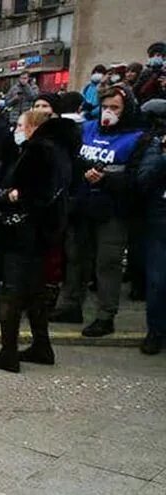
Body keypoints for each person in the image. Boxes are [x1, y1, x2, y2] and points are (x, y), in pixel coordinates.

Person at [0, 110, 76, 371]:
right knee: (35, 290)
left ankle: (8, 352)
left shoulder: (37, 151)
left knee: (11, 291)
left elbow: (26, 191)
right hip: (45, 231)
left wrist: (10, 196)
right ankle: (41, 345)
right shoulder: (61, 150)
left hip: (23, 230)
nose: (18, 129)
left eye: (22, 125)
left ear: (34, 126)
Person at [50, 85, 146, 337]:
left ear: (126, 110)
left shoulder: (137, 137)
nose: (109, 112)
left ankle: (105, 315)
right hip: (83, 205)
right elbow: (72, 159)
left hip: (112, 210)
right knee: (76, 258)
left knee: (107, 263)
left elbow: (137, 178)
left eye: (115, 108)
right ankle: (71, 305)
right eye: (105, 107)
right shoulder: (87, 129)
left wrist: (105, 179)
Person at [138, 100, 166, 355]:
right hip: (160, 223)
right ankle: (155, 331)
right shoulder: (155, 147)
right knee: (158, 282)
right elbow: (144, 180)